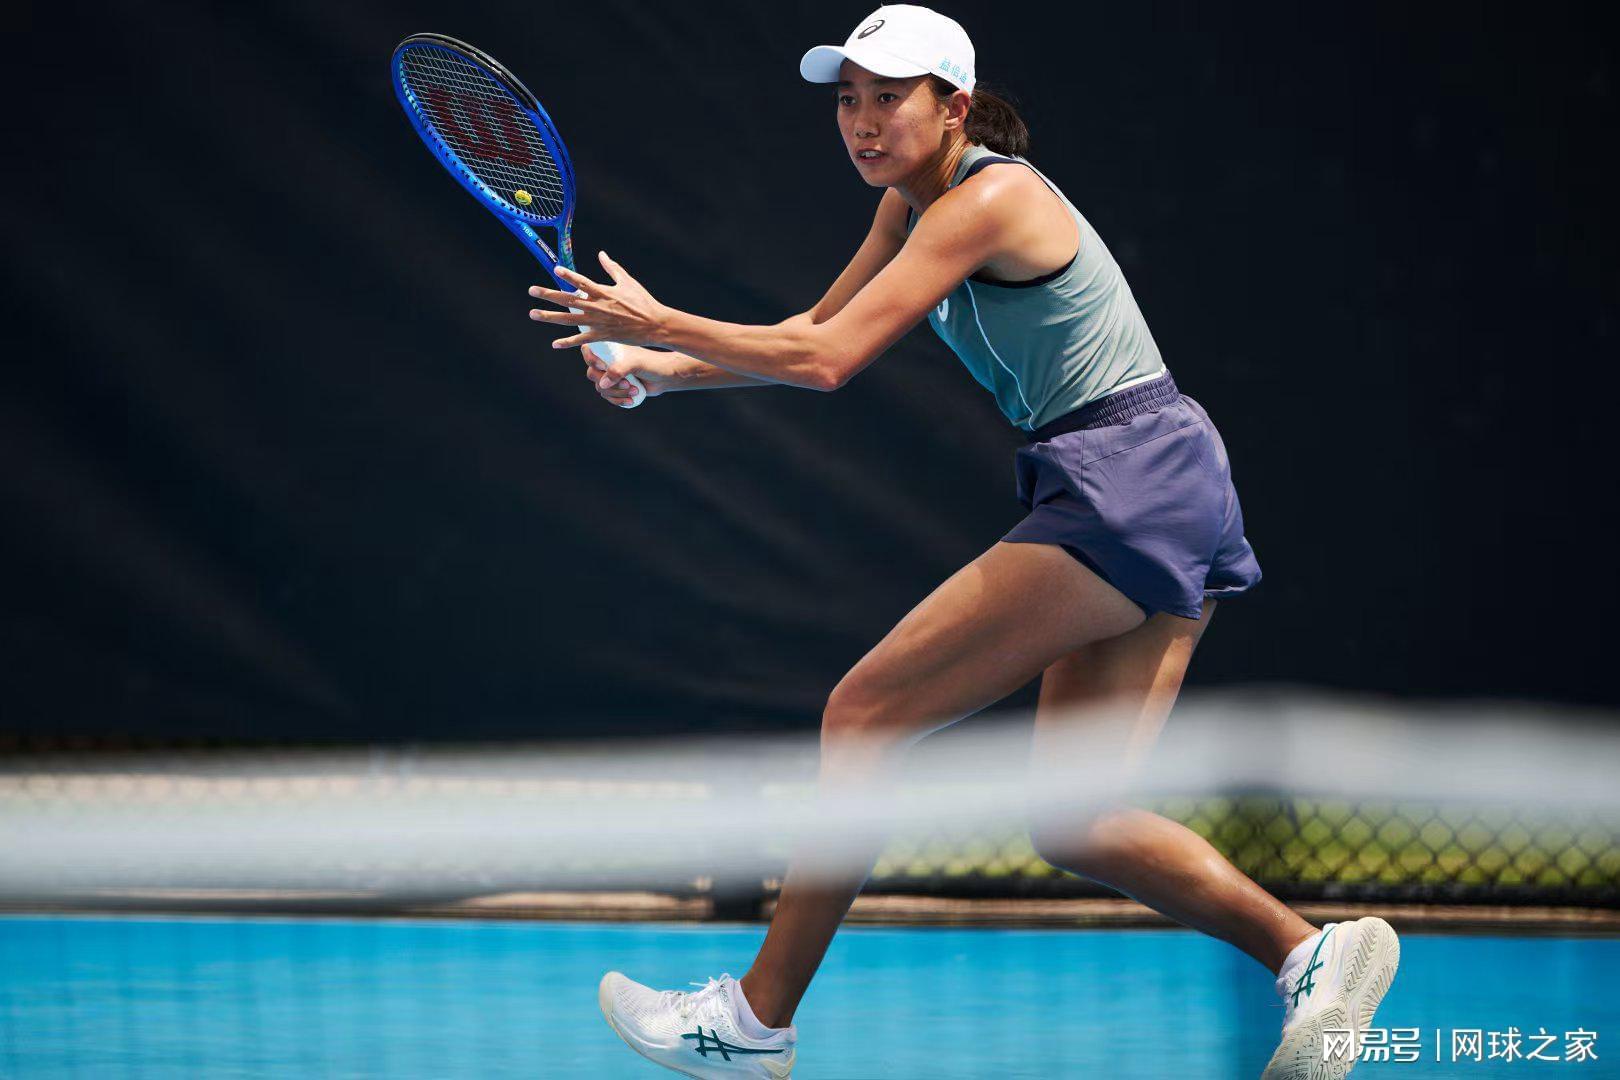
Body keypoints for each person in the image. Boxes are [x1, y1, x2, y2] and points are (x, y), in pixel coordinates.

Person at [527, 6, 1398, 1077]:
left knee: (862, 713)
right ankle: (1312, 954)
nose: (862, 119)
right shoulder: (909, 206)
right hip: (1164, 478)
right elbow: (811, 332)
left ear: (957, 107)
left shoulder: (993, 198)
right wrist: (660, 371)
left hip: (1128, 476)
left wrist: (658, 323)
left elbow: (827, 361)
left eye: (889, 97)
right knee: (1075, 820)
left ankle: (752, 1023)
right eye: (848, 98)